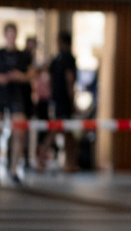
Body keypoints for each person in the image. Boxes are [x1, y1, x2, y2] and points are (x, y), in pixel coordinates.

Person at [0, 22, 35, 184]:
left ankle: (14, 168)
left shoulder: (23, 56)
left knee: (18, 134)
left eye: (13, 34)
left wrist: (19, 76)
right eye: (9, 34)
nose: (11, 37)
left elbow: (31, 74)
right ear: (5, 35)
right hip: (2, 94)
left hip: (17, 96)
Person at [41, 31, 78, 172]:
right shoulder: (68, 59)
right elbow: (70, 80)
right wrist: (72, 99)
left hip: (57, 99)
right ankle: (42, 157)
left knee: (67, 132)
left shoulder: (56, 59)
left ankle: (70, 163)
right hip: (63, 101)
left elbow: (49, 79)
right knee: (57, 129)